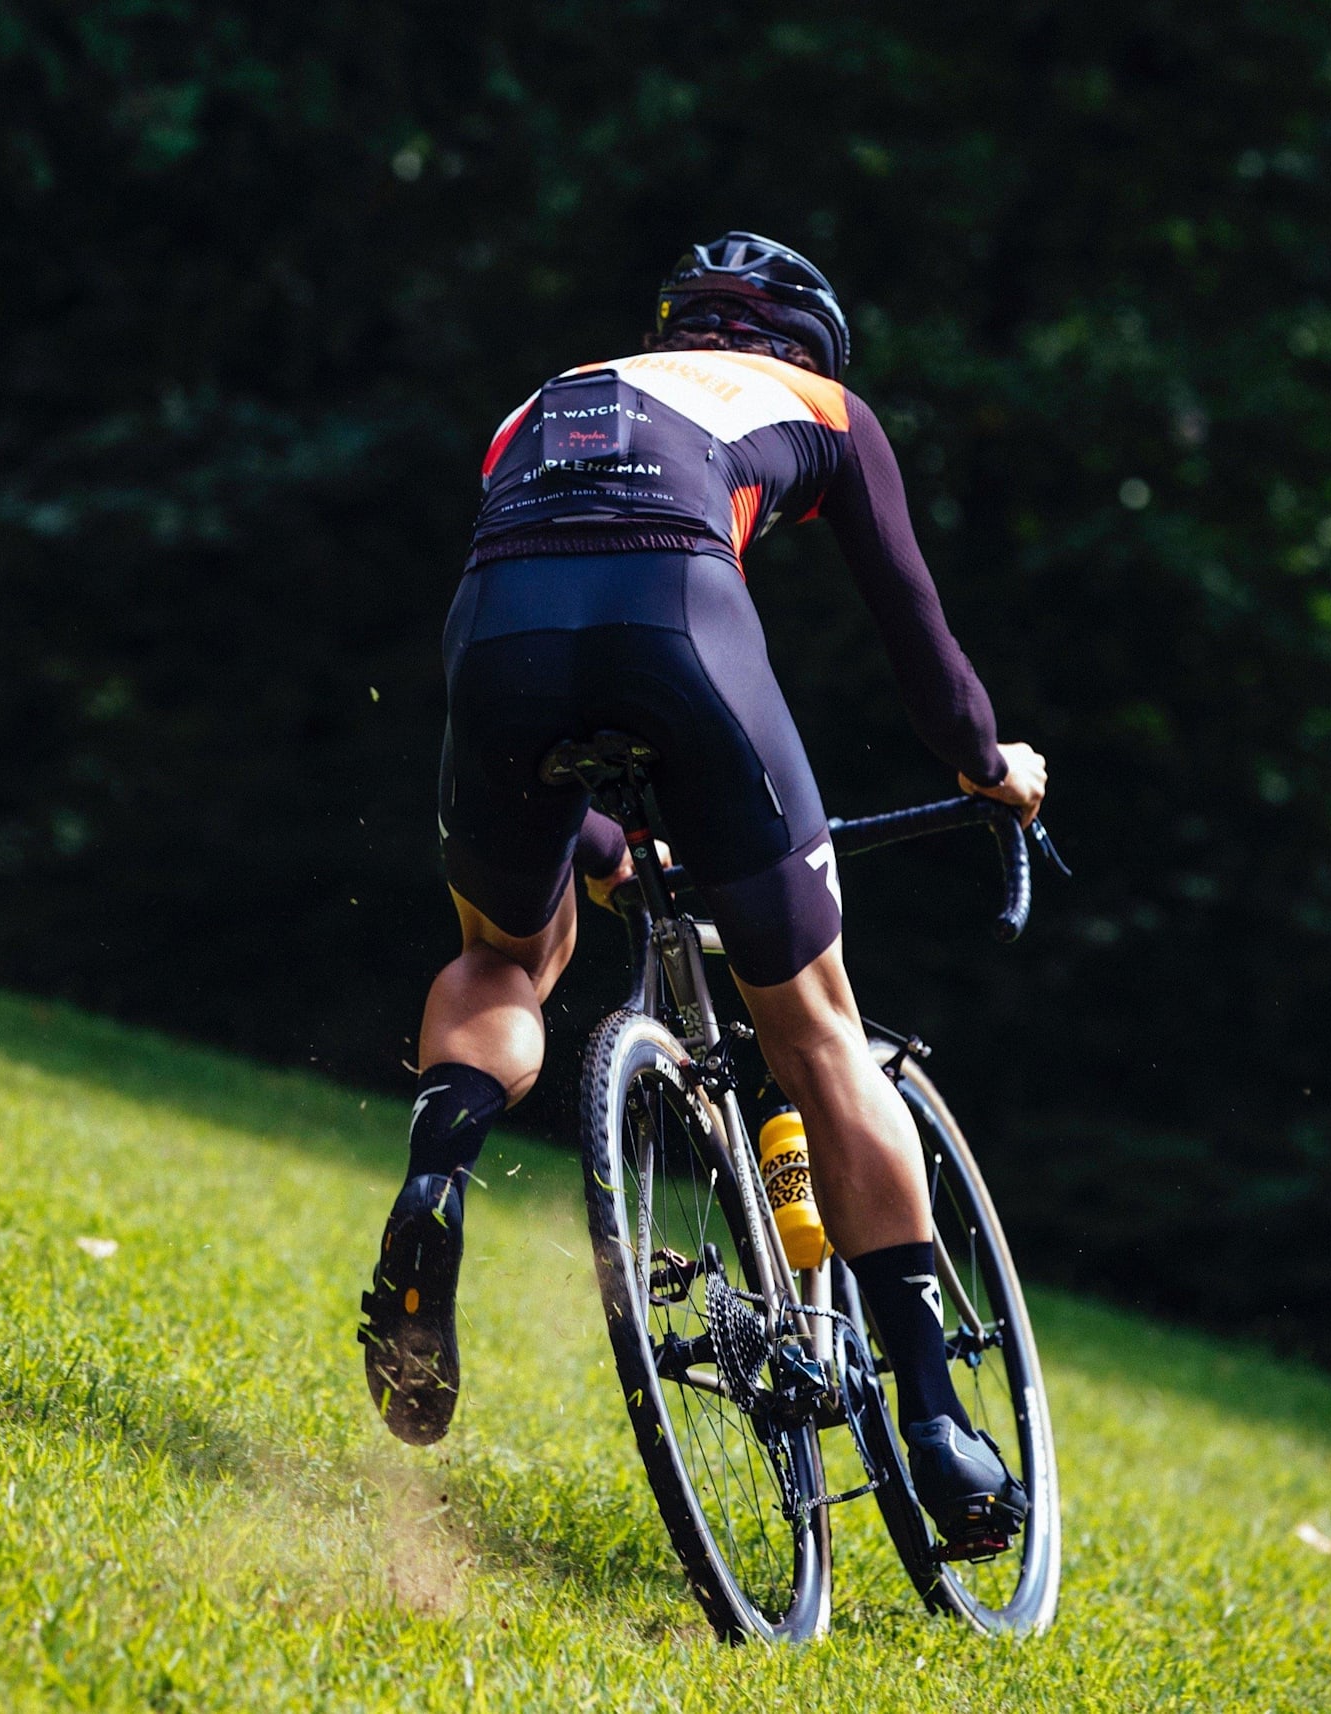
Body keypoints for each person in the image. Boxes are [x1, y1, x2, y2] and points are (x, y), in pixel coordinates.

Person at [357, 232, 1041, 1551]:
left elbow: (563, 615)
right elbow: (923, 643)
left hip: (498, 629)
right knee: (820, 1031)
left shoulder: (536, 407)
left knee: (505, 958)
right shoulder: (827, 411)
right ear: (804, 345)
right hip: (683, 613)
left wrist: (604, 843)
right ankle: (941, 1424)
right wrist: (989, 764)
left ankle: (438, 1175)